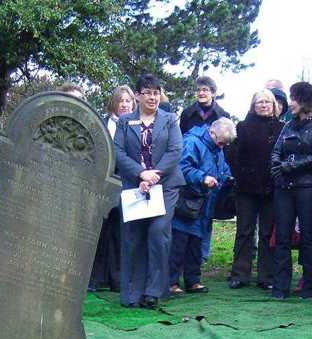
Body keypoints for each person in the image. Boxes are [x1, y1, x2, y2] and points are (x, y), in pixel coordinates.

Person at [113, 74, 185, 309]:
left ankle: (154, 291)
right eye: (147, 92)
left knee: (157, 233)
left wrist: (154, 175)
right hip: (135, 186)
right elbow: (118, 153)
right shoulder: (125, 122)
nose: (152, 97)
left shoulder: (169, 119)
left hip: (165, 186)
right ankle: (133, 293)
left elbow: (175, 150)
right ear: (137, 96)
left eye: (156, 92)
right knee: (133, 237)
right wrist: (140, 174)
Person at [270, 81, 312, 300]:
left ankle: (310, 288)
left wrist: (290, 166)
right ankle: (280, 287)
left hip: (308, 187)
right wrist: (278, 168)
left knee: (309, 236)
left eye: (294, 98)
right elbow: (276, 150)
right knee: (282, 237)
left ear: (304, 101)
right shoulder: (288, 125)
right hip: (284, 187)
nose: (290, 103)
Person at [225, 89, 285, 289]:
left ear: (274, 105)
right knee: (244, 231)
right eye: (259, 102)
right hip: (246, 188)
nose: (264, 105)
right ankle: (240, 274)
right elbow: (232, 154)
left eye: (267, 102)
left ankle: (266, 276)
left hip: (272, 188)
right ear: (253, 105)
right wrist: (242, 175)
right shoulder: (242, 127)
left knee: (268, 233)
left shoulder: (282, 128)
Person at [169, 118, 236, 295]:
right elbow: (182, 168)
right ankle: (171, 281)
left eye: (226, 144)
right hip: (187, 202)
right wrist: (202, 177)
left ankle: (193, 280)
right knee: (178, 243)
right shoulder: (191, 142)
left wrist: (227, 178)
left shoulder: (217, 149)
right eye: (221, 142)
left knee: (196, 244)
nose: (223, 146)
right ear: (212, 133)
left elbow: (222, 169)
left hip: (204, 205)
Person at [89, 85, 135, 292]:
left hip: (126, 184)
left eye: (128, 101)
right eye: (121, 101)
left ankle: (117, 279)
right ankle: (95, 279)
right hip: (101, 184)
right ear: (114, 103)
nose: (124, 104)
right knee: (100, 231)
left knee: (120, 233)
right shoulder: (102, 124)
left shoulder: (136, 124)